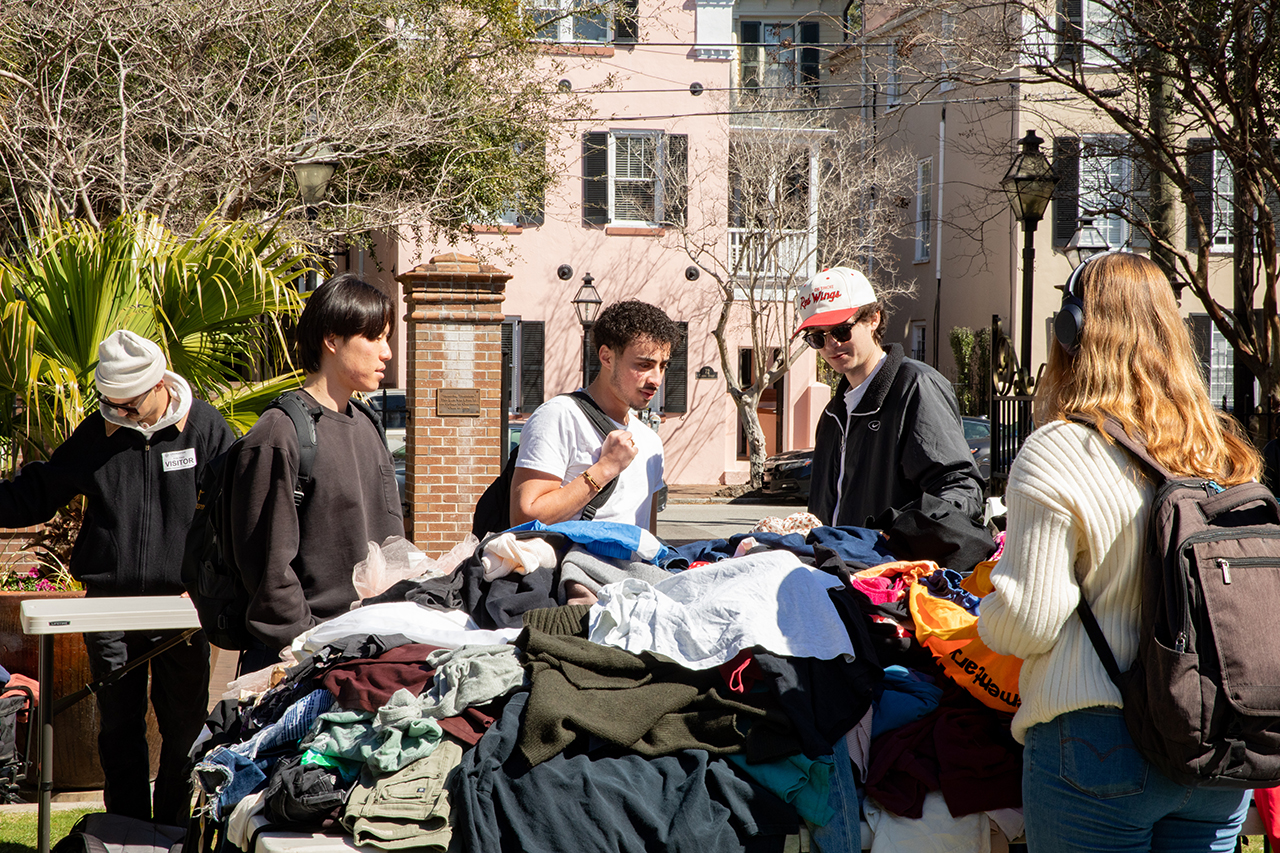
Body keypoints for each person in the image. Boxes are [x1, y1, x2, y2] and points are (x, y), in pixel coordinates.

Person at [977, 252, 1261, 853]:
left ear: (1071, 331)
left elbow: (1028, 623)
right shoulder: (1223, 452)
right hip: (1217, 743)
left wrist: (984, 611)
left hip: (1099, 741)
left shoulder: (1058, 449)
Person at [0, 330, 234, 826]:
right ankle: (124, 828)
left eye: (128, 405)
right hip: (107, 602)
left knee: (185, 724)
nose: (118, 414)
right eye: (109, 403)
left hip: (184, 607)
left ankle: (173, 828)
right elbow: (37, 493)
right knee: (119, 724)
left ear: (159, 387)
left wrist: (215, 582)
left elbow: (233, 514)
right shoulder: (95, 433)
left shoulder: (207, 429)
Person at [229, 274, 404, 672]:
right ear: (332, 340)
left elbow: (390, 541)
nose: (387, 353)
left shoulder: (368, 424)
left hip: (371, 647)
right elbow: (267, 569)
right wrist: (310, 645)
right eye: (375, 338)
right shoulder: (281, 431)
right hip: (301, 658)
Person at [798, 267, 985, 535]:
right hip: (836, 569)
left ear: (873, 318)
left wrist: (897, 538)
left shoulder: (916, 386)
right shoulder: (832, 414)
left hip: (892, 570)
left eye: (840, 330)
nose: (830, 345)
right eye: (817, 337)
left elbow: (960, 488)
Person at [510, 299, 680, 534]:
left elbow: (647, 536)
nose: (656, 379)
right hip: (570, 570)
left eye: (663, 366)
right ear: (607, 357)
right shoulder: (560, 416)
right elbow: (524, 517)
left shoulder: (651, 442)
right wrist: (606, 468)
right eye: (644, 365)